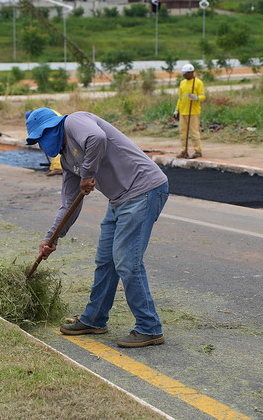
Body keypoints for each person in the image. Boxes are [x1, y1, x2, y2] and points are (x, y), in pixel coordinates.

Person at [26, 108, 169, 348]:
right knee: (105, 260)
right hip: (119, 200)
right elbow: (68, 204)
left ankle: (149, 327)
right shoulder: (67, 160)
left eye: (42, 136)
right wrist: (51, 239)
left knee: (126, 261)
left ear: (52, 128)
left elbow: (97, 138)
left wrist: (88, 174)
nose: (42, 143)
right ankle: (95, 319)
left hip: (144, 190)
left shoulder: (75, 121)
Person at [174, 63, 206, 159]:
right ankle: (184, 151)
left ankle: (198, 151)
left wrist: (196, 98)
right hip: (183, 111)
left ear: (191, 72)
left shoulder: (198, 82)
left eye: (185, 73)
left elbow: (203, 96)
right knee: (182, 132)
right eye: (183, 73)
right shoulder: (182, 83)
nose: (183, 75)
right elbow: (180, 98)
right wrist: (176, 109)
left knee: (194, 132)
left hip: (193, 112)